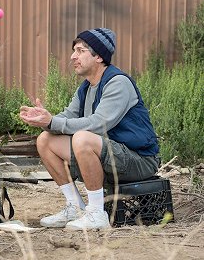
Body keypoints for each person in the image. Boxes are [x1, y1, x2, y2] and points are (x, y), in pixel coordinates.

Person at [20, 28, 160, 230]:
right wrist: (45, 119)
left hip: (140, 159)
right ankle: (75, 207)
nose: (72, 56)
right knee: (45, 140)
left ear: (99, 56)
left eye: (80, 50)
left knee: (83, 138)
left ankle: (96, 213)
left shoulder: (118, 83)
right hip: (110, 154)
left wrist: (53, 122)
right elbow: (67, 117)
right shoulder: (86, 87)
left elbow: (99, 124)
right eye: (73, 51)